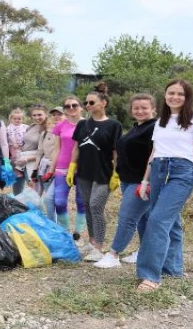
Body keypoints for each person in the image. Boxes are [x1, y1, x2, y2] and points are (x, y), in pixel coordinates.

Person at [135, 79, 193, 292]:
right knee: (172, 222)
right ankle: (172, 268)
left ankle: (150, 275)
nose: (175, 97)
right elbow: (154, 152)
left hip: (182, 172)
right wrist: (145, 180)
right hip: (159, 169)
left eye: (180, 94)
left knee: (157, 220)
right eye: (171, 93)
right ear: (165, 95)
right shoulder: (161, 121)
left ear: (188, 97)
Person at [95, 93, 156, 268]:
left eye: (144, 107)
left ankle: (113, 254)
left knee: (127, 217)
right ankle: (144, 251)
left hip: (142, 181)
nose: (140, 111)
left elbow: (155, 156)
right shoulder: (137, 127)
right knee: (142, 217)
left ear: (153, 109)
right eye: (136, 108)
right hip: (127, 179)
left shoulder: (154, 128)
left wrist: (148, 181)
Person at [67, 83, 123, 262]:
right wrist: (71, 167)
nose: (88, 106)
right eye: (86, 103)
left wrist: (117, 171)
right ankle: (92, 242)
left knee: (96, 206)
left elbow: (116, 151)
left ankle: (99, 246)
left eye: (92, 102)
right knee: (87, 207)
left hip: (103, 172)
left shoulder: (114, 125)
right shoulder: (82, 124)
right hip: (84, 172)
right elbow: (76, 146)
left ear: (103, 103)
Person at [49, 96, 86, 235]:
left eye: (74, 105)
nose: (71, 108)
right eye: (67, 106)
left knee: (81, 201)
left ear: (81, 107)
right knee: (59, 201)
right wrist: (52, 169)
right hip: (63, 168)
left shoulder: (88, 124)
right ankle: (64, 231)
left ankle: (78, 233)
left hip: (83, 168)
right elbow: (56, 149)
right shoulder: (60, 126)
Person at [13, 105, 48, 195]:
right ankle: (18, 207)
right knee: (17, 189)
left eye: (39, 115)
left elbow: (46, 151)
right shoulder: (32, 126)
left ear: (46, 114)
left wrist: (28, 158)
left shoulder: (47, 129)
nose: (37, 117)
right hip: (21, 160)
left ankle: (34, 208)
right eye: (34, 115)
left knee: (34, 191)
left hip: (33, 162)